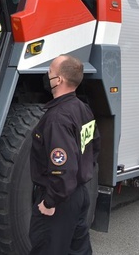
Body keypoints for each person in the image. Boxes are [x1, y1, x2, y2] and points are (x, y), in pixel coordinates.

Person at [29, 54, 100, 255]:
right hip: (79, 194)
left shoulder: (57, 118)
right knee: (78, 250)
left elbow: (63, 166)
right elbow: (94, 147)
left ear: (58, 79)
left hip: (60, 200)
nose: (46, 74)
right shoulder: (83, 109)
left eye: (50, 71)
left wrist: (50, 201)